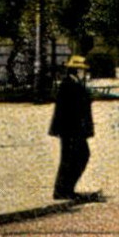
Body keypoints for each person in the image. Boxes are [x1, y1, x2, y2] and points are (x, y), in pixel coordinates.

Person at [49, 56, 95, 201]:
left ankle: (66, 189)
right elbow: (67, 110)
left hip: (75, 129)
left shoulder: (75, 84)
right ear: (76, 70)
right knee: (73, 158)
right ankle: (62, 190)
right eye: (82, 70)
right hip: (70, 129)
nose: (84, 72)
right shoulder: (68, 85)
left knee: (77, 157)